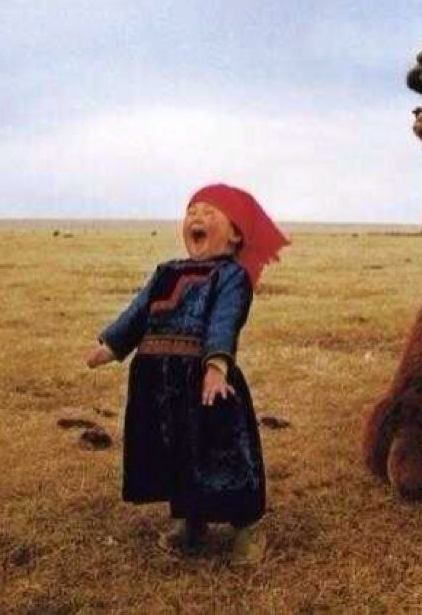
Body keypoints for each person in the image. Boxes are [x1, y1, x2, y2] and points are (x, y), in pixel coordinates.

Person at [85, 183, 289, 563]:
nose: (197, 217)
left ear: (235, 235)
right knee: (176, 452)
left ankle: (246, 529)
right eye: (191, 211)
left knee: (222, 453)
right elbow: (138, 312)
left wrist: (216, 367)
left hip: (205, 383)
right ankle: (192, 523)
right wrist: (111, 346)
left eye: (209, 212)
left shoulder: (231, 276)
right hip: (158, 381)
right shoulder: (167, 271)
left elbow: (224, 321)